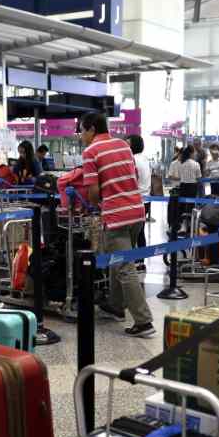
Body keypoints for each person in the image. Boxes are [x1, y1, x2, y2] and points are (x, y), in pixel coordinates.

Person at [80, 112, 154, 337]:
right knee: (118, 260)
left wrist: (95, 205)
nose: (81, 135)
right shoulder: (123, 146)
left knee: (125, 268)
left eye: (82, 130)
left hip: (116, 216)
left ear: (92, 129)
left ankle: (144, 322)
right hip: (137, 211)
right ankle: (116, 305)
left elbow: (93, 192)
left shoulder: (90, 152)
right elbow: (129, 177)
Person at [129, 134, 152, 268]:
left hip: (136, 200)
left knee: (133, 233)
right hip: (146, 199)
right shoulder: (144, 159)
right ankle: (140, 260)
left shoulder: (133, 160)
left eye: (127, 143)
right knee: (140, 231)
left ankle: (135, 260)